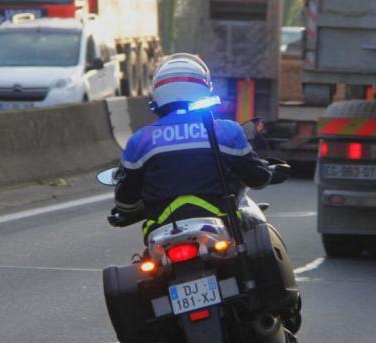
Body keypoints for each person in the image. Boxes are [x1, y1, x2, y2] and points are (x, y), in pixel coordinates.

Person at [110, 53, 272, 238]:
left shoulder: (139, 141)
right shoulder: (227, 131)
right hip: (221, 225)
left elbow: (126, 201)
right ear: (205, 88)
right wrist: (266, 171)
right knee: (258, 238)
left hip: (163, 232)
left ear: (157, 92)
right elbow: (257, 179)